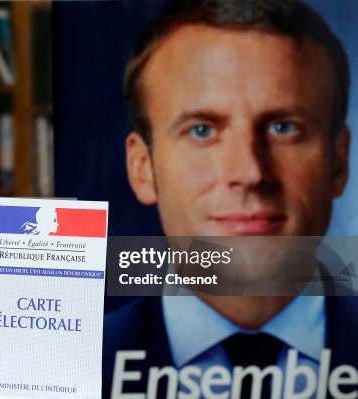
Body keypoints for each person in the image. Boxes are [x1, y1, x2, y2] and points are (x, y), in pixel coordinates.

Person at [103, 0, 358, 398]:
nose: (250, 173)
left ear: (338, 163)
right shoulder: (63, 370)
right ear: (142, 168)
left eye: (283, 127)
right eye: (202, 130)